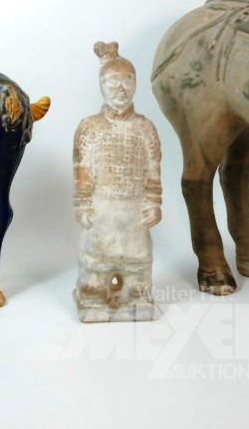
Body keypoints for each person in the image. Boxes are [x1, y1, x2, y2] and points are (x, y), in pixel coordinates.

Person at [73, 41, 162, 322]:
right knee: (96, 257)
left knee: (137, 258)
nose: (121, 89)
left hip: (134, 210)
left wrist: (154, 203)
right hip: (102, 207)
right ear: (102, 84)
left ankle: (137, 297)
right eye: (113, 81)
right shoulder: (89, 127)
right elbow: (82, 171)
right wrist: (83, 205)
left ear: (136, 85)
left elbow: (153, 171)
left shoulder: (145, 128)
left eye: (128, 81)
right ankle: (92, 296)